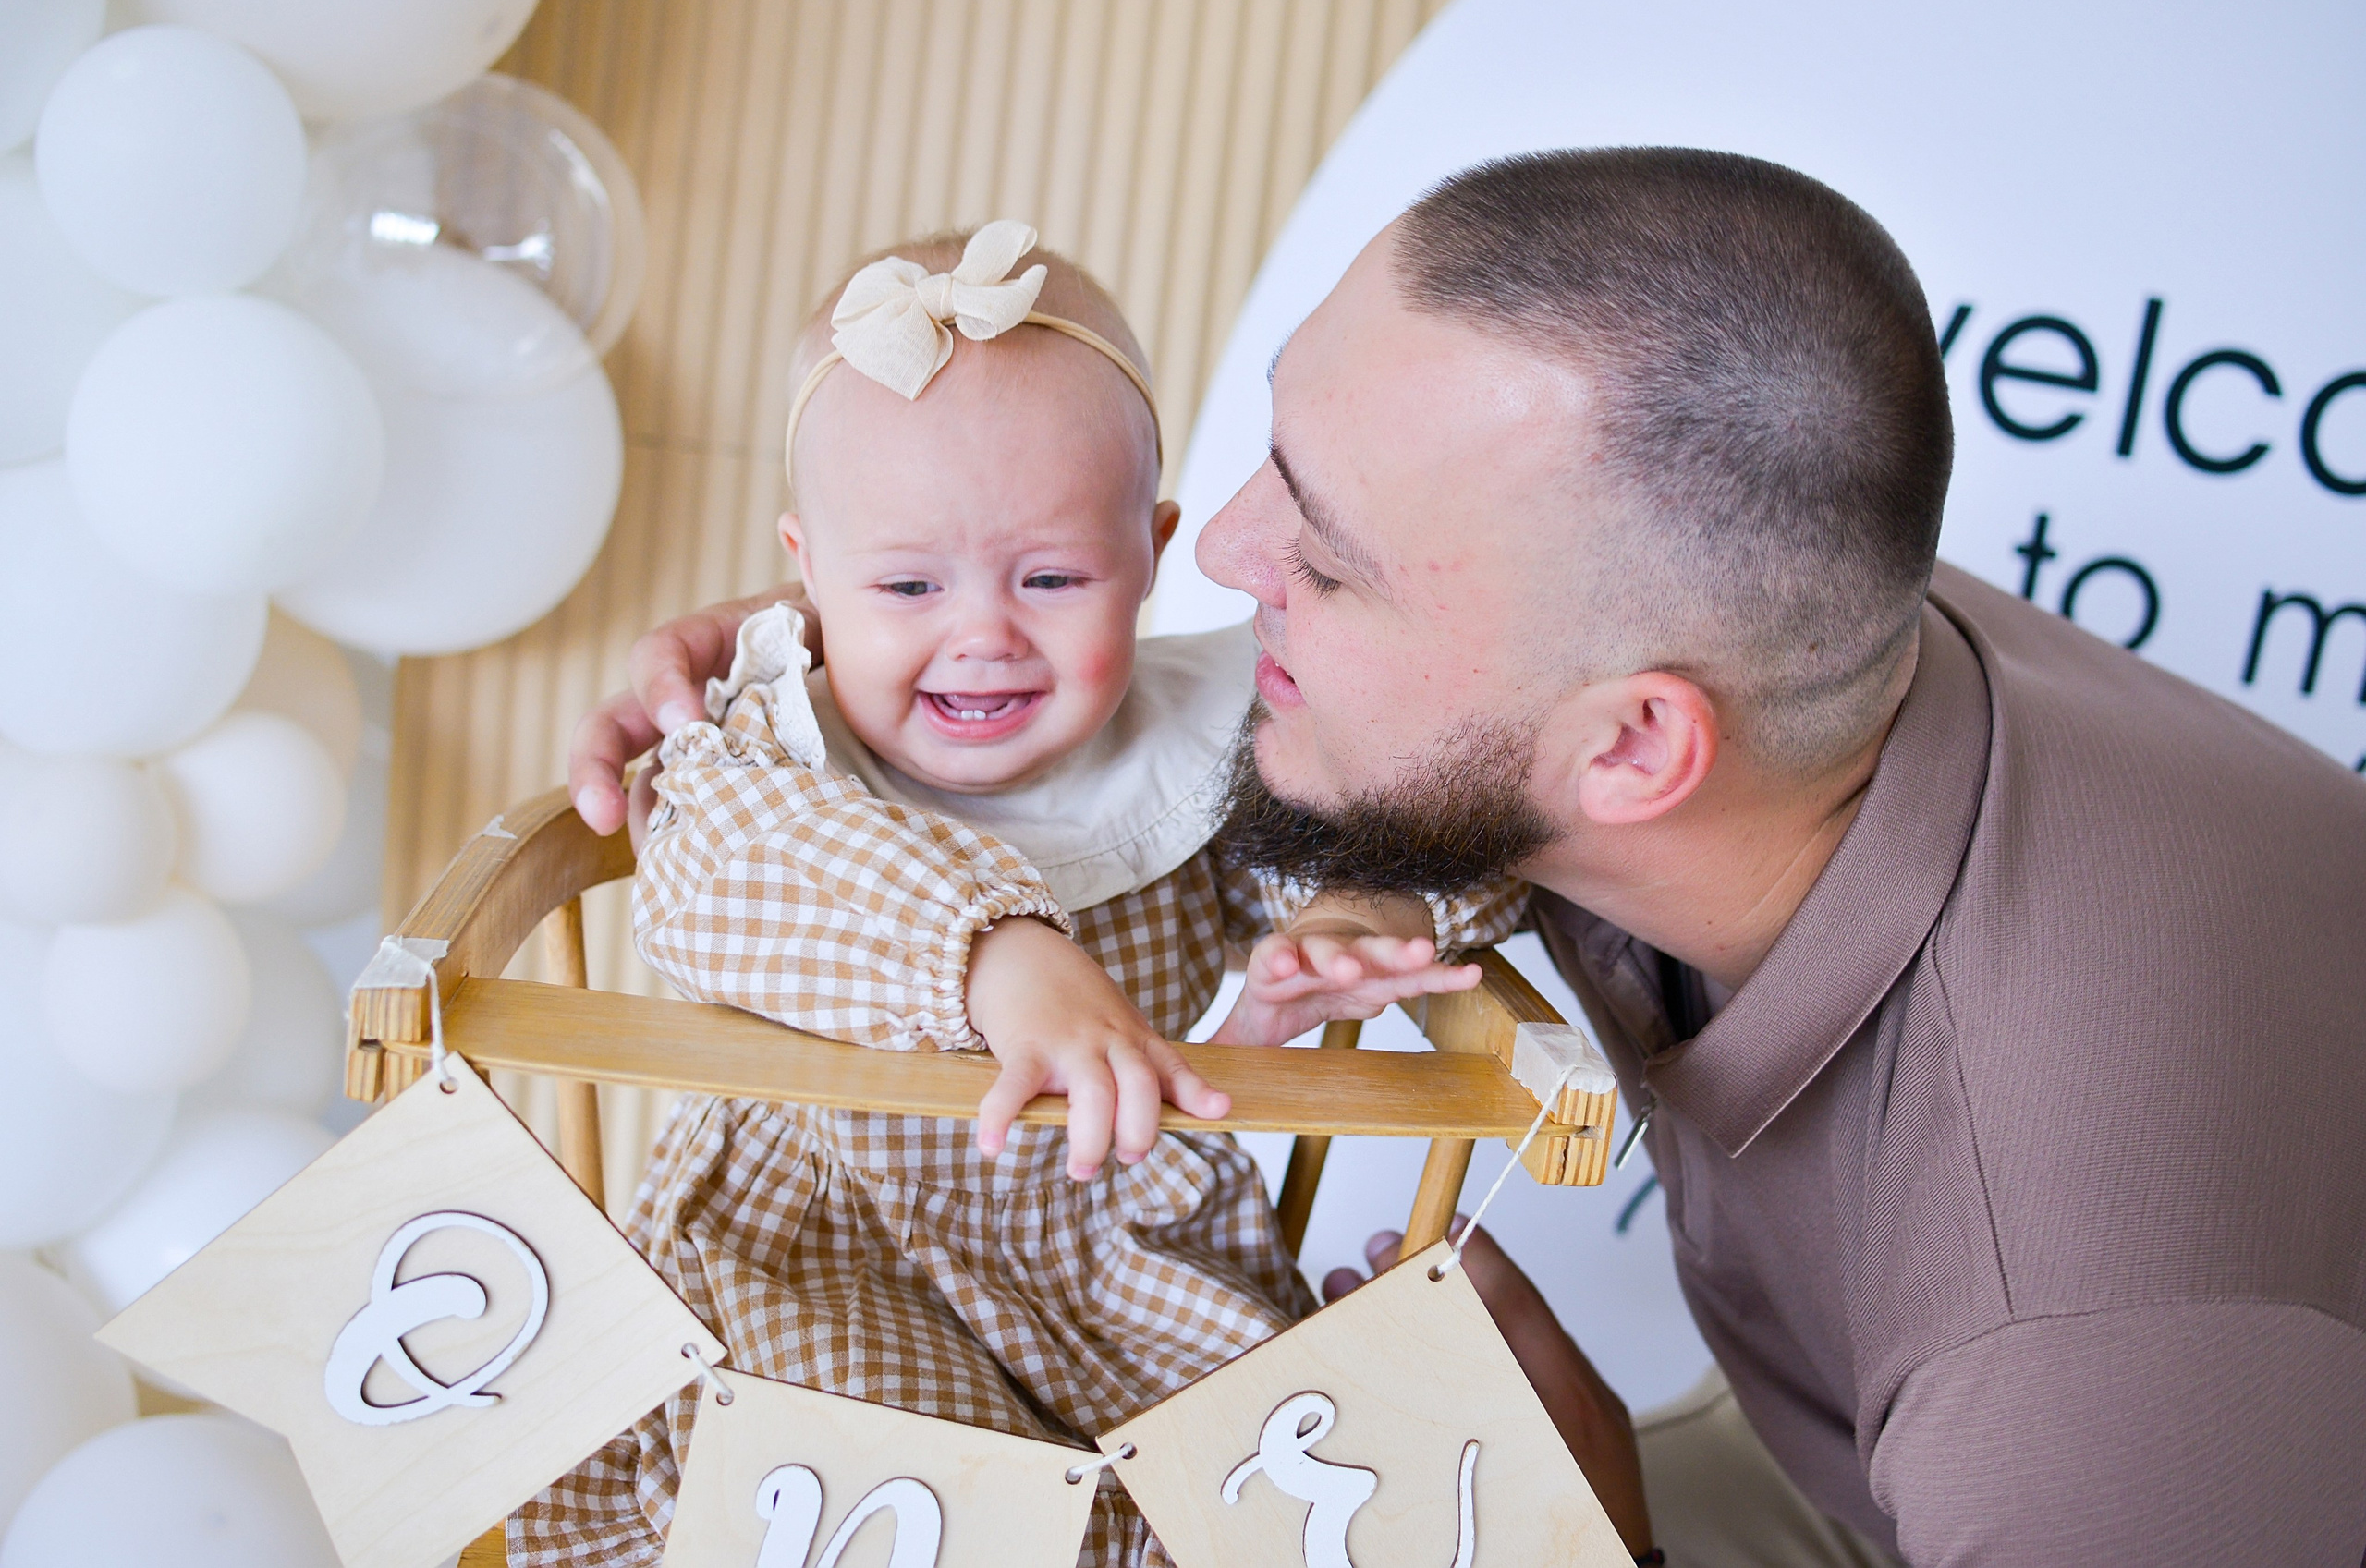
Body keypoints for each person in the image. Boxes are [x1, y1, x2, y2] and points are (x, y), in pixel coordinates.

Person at [573, 152, 2366, 1564]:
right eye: (1270, 450)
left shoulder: (2076, 1377)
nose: (1215, 564)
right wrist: (832, 657)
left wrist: (1601, 1546)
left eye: (1324, 559)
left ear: (1631, 749)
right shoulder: (1768, 635)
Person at [523, 223, 1518, 1568]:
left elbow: (1389, 785)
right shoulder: (769, 755)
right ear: (807, 576)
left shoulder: (1194, 735)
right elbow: (718, 881)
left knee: (1247, 1487)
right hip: (826, 1241)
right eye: (907, 584)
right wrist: (997, 953)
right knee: (895, 1483)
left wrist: (1352, 921)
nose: (983, 633)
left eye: (1052, 579)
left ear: (1154, 551)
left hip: (1123, 1235)